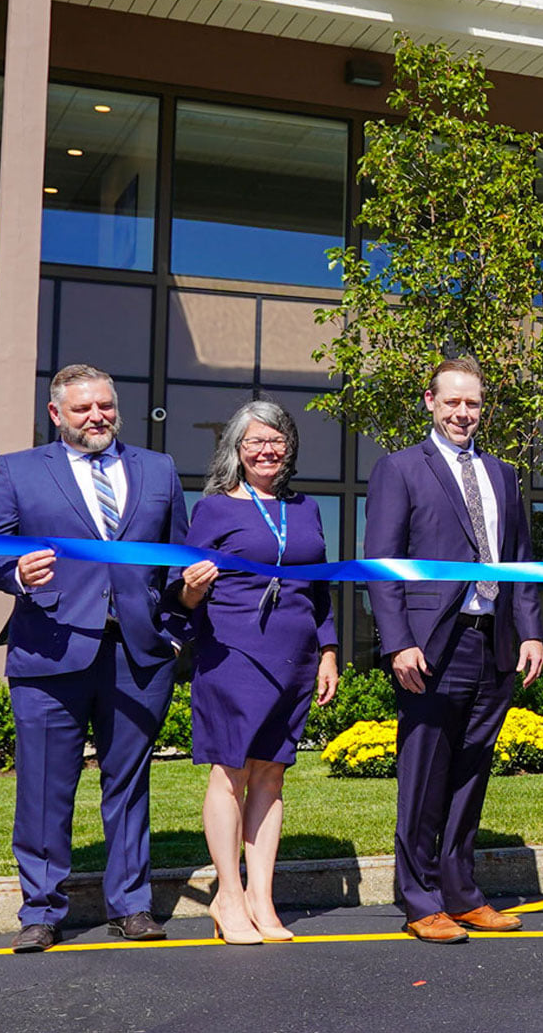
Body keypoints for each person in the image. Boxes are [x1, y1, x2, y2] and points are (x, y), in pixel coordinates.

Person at [0, 364, 190, 953]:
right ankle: (41, 910)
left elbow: (178, 558)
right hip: (51, 650)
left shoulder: (157, 469)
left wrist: (171, 631)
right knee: (44, 786)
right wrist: (14, 571)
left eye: (106, 407)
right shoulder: (19, 470)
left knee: (130, 783)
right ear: (56, 413)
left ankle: (132, 906)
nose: (97, 417)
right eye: (84, 408)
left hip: (138, 656)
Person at [364, 356, 543, 944]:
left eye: (472, 404)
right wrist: (398, 643)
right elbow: (382, 565)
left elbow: (517, 562)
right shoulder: (400, 470)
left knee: (472, 771)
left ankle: (461, 893)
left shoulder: (502, 474)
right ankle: (419, 900)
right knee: (424, 775)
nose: (463, 413)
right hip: (430, 646)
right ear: (430, 402)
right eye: (452, 403)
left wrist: (531, 631)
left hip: (492, 643)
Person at [175, 400, 340, 944]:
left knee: (271, 775)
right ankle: (227, 895)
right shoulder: (214, 509)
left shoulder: (307, 507)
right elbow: (182, 592)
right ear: (236, 451)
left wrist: (329, 651)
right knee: (232, 772)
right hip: (233, 655)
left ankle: (262, 899)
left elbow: (320, 589)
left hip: (294, 657)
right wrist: (193, 588)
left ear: (288, 447)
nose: (267, 450)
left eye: (276, 440)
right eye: (255, 442)